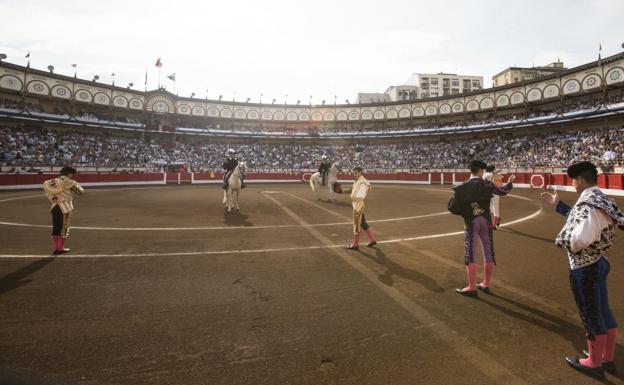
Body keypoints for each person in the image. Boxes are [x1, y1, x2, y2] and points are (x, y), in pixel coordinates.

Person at [541, 161, 624, 379]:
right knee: (603, 311)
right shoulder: (601, 198)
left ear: (579, 180)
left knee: (591, 313)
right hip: (600, 262)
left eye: (574, 181)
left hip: (585, 267)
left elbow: (580, 237)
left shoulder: (588, 204)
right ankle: (606, 358)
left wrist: (563, 240)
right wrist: (558, 204)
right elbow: (581, 219)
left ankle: (594, 363)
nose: (574, 185)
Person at [449, 160, 514, 296]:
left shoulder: (462, 187)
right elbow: (503, 191)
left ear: (471, 171)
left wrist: (466, 212)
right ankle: (485, 284)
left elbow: (453, 207)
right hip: (485, 220)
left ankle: (472, 287)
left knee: (471, 253)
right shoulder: (487, 184)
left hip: (471, 221)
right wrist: (511, 182)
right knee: (488, 251)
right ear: (480, 171)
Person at [42, 166, 85, 255]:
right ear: (69, 173)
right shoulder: (69, 182)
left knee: (56, 227)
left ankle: (57, 247)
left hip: (54, 207)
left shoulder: (51, 182)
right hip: (65, 207)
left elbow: (47, 194)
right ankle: (60, 248)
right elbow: (80, 192)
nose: (72, 176)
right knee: (64, 228)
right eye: (72, 174)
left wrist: (56, 199)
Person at [343, 166, 376, 250]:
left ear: (361, 172)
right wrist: (343, 190)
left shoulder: (362, 181)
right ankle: (372, 240)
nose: (355, 174)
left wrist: (353, 198)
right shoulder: (357, 181)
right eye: (354, 173)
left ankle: (355, 244)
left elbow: (362, 194)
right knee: (363, 223)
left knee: (356, 224)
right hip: (356, 204)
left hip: (358, 205)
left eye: (356, 172)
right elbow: (353, 189)